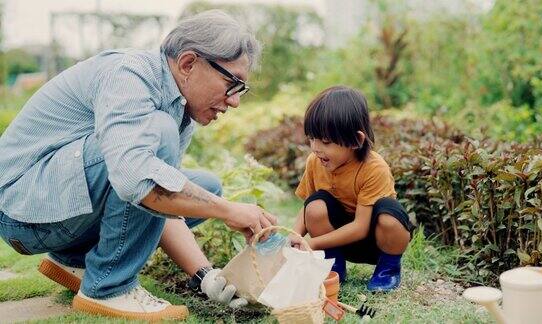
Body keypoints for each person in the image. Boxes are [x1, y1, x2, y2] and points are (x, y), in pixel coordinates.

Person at [0, 10, 277, 321]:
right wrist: (228, 210)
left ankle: (73, 258)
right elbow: (137, 182)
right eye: (232, 83)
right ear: (188, 63)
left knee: (206, 186)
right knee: (156, 144)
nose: (235, 101)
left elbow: (157, 201)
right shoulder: (129, 74)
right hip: (22, 212)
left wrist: (205, 276)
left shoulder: (177, 107)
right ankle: (108, 288)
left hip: (56, 204)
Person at [290, 86, 414, 292]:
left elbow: (360, 227)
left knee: (389, 214)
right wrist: (294, 235)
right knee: (315, 204)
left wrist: (311, 244)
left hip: (374, 242)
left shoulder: (374, 168)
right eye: (312, 138)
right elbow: (307, 209)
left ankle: (388, 269)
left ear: (356, 140)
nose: (315, 147)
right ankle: (333, 265)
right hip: (335, 241)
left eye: (326, 141)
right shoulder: (316, 161)